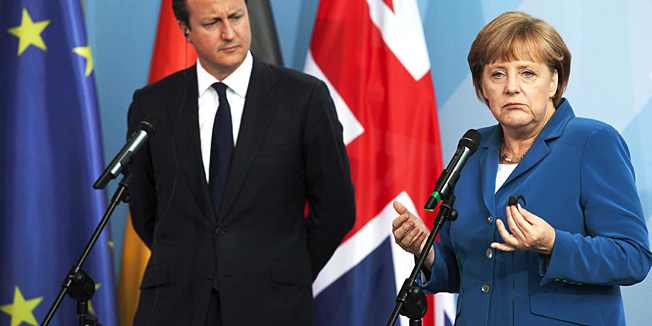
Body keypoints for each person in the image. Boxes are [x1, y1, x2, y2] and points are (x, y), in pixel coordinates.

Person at [392, 11, 652, 325]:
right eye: (497, 74)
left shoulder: (592, 143)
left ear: (554, 81)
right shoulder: (472, 151)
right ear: (482, 86)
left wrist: (553, 243)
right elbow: (466, 271)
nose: (512, 87)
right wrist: (426, 251)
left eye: (527, 73)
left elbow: (633, 257)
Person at [126, 0, 356, 325]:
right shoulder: (152, 104)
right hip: (176, 305)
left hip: (273, 305)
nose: (229, 33)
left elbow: (336, 209)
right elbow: (146, 210)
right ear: (185, 30)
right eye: (212, 23)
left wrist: (284, 268)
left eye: (236, 16)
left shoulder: (303, 98)